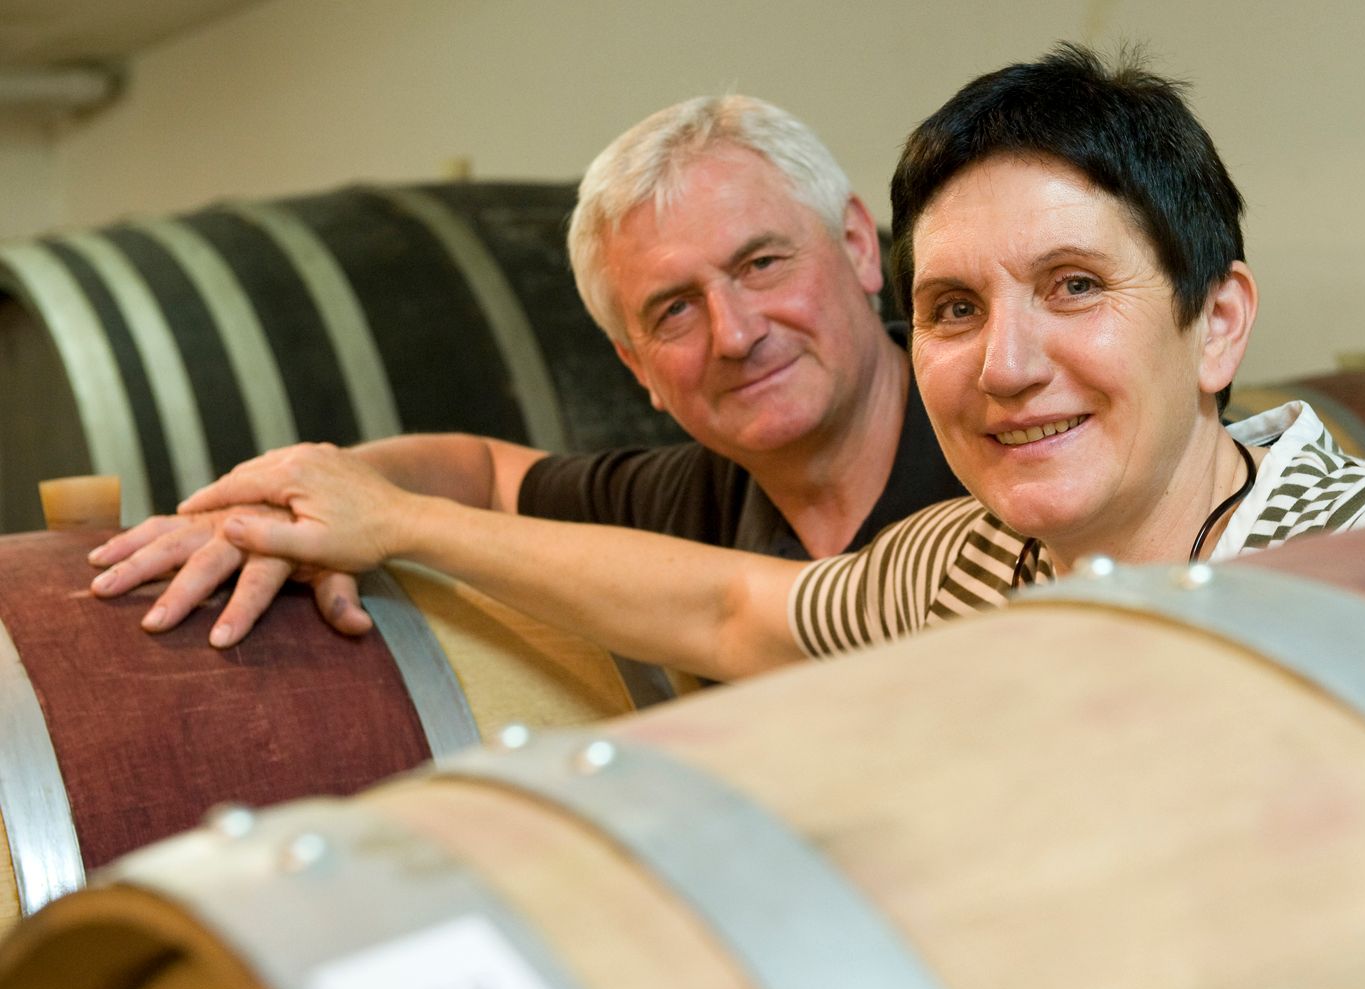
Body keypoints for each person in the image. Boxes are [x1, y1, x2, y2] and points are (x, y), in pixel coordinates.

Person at [110, 44, 1365, 681]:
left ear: (1217, 321)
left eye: (1073, 288)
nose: (1007, 365)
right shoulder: (964, 563)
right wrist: (384, 514)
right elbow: (731, 612)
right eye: (956, 309)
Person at [88, 95, 965, 649]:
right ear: (636, 367)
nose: (734, 334)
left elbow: (739, 614)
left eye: (762, 264)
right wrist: (305, 496)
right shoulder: (691, 501)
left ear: (860, 246)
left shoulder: (997, 446)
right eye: (674, 310)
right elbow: (482, 468)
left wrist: (396, 522)